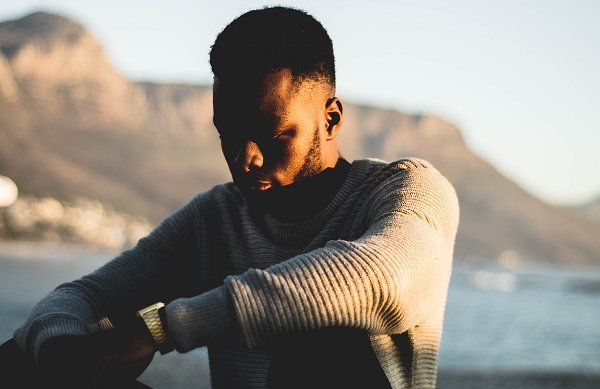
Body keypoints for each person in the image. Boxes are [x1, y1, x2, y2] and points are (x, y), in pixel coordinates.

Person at [7, 6, 459, 389]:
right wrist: (61, 351)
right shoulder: (215, 217)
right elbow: (83, 296)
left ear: (332, 119)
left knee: (320, 343)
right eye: (230, 134)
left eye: (273, 134)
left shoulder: (407, 190)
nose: (246, 159)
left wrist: (160, 329)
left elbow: (379, 275)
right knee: (21, 358)